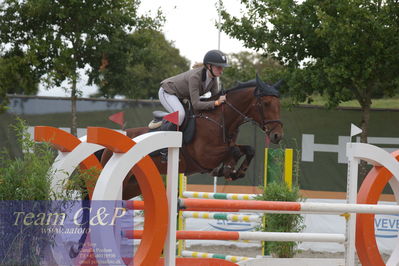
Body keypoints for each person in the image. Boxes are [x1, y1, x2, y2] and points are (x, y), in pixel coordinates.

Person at [158, 49, 229, 131]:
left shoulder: (213, 80)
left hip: (181, 96)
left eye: (222, 67)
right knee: (180, 115)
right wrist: (216, 102)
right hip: (167, 92)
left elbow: (215, 97)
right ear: (209, 66)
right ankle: (169, 140)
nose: (221, 71)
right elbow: (196, 104)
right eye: (219, 67)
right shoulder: (195, 77)